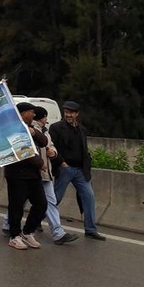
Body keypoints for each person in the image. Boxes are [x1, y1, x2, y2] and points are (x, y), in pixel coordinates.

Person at [50, 100, 106, 241]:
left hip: (80, 170)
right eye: (66, 112)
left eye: (71, 113)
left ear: (77, 114)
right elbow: (52, 147)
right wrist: (61, 163)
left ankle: (90, 229)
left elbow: (84, 149)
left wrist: (87, 164)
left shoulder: (82, 129)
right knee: (55, 198)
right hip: (65, 169)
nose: (68, 115)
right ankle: (36, 220)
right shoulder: (56, 128)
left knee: (89, 197)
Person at [32, 106, 78, 245]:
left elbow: (51, 146)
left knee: (51, 202)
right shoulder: (29, 130)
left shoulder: (45, 132)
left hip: (46, 174)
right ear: (40, 118)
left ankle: (58, 233)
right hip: (33, 173)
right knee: (21, 201)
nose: (47, 120)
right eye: (45, 117)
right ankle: (8, 224)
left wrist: (54, 153)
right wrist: (40, 163)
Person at [5, 102, 49, 250]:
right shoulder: (12, 128)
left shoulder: (31, 128)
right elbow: (22, 152)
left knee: (41, 204)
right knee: (16, 206)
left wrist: (34, 132)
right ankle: (14, 236)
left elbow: (44, 142)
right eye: (31, 112)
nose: (34, 115)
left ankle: (28, 231)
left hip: (33, 175)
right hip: (17, 174)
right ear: (23, 113)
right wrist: (40, 163)